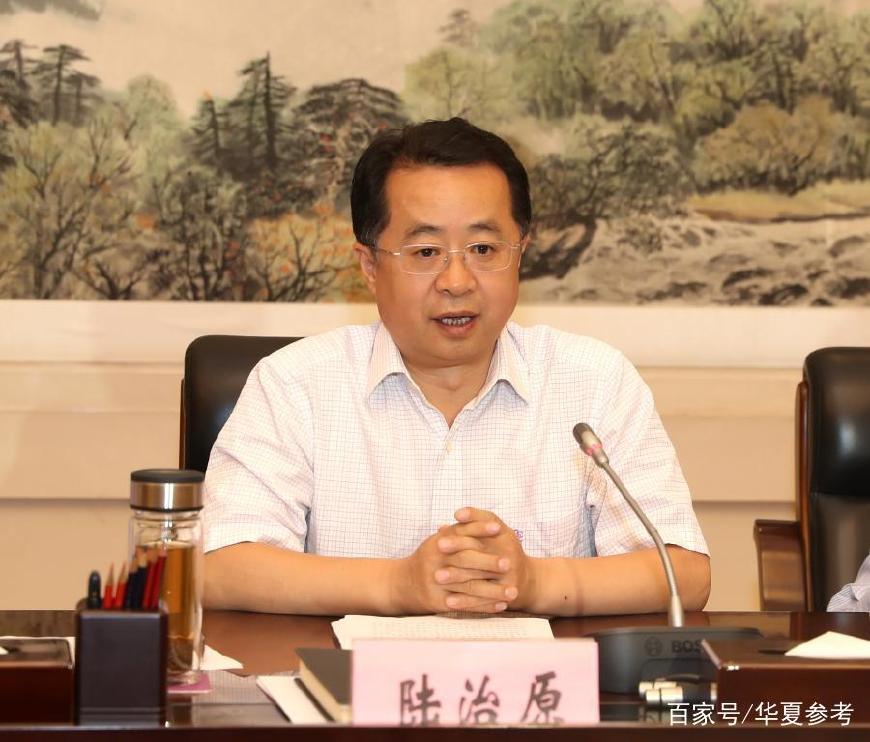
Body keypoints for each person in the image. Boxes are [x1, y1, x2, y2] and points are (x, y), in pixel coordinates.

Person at [202, 117, 710, 617]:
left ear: (521, 252)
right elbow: (217, 567)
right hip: (350, 674)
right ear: (369, 266)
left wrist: (532, 582)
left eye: (484, 249)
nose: (457, 280)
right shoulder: (295, 384)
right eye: (425, 251)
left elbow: (684, 575)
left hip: (541, 673)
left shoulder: (595, 380)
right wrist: (398, 586)